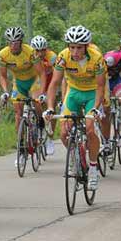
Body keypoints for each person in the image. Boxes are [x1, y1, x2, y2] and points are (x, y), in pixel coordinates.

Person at [43, 25, 107, 192]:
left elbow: (101, 87)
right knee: (64, 133)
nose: (75, 51)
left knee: (90, 129)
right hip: (73, 93)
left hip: (92, 93)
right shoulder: (63, 57)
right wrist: (50, 107)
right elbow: (54, 84)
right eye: (72, 47)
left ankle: (93, 168)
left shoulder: (97, 58)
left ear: (86, 46)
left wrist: (95, 109)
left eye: (79, 47)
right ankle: (75, 157)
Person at [0, 26, 48, 162]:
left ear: (21, 42)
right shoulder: (3, 54)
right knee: (18, 113)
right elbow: (3, 76)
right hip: (18, 83)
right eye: (11, 42)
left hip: (33, 81)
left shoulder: (30, 52)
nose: (13, 45)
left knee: (36, 101)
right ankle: (21, 148)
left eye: (16, 42)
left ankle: (41, 124)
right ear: (8, 42)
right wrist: (5, 92)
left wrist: (42, 93)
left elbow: (42, 73)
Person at [30, 35, 58, 155]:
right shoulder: (31, 56)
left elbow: (60, 75)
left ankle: (50, 138)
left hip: (51, 83)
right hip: (38, 82)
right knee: (36, 102)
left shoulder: (52, 57)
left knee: (51, 108)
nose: (40, 53)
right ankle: (40, 124)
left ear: (46, 49)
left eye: (43, 50)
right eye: (37, 50)